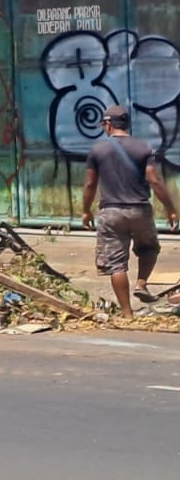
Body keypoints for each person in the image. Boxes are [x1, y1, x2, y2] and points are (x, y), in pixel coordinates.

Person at [82, 104, 179, 320]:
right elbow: (154, 180)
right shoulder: (144, 147)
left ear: (108, 124)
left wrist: (86, 211)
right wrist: (171, 209)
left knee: (116, 264)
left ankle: (127, 314)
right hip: (140, 210)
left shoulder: (98, 149)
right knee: (149, 248)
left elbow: (90, 184)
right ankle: (141, 283)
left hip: (111, 213)